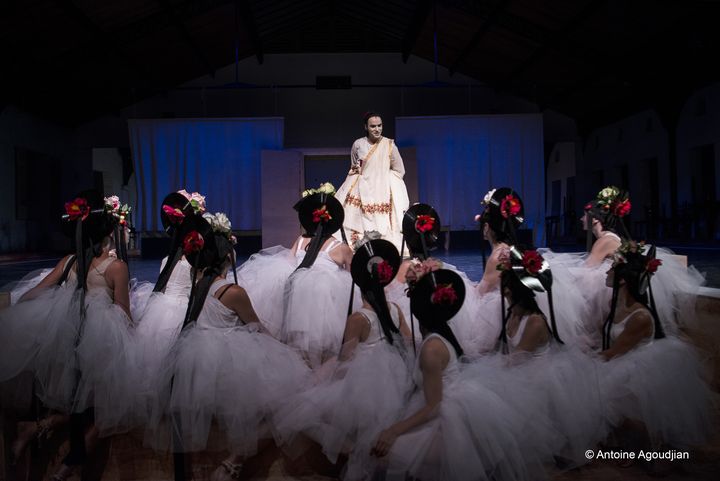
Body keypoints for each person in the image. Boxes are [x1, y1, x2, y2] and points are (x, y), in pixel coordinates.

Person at [146, 213, 310, 481]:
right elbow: (257, 327)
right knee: (284, 404)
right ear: (228, 257)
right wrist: (286, 351)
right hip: (226, 360)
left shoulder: (200, 285)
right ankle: (235, 461)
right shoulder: (232, 292)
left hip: (198, 355)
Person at [273, 238, 413, 480]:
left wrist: (325, 382)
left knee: (304, 411)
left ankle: (356, 455)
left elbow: (345, 360)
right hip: (394, 377)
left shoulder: (358, 319)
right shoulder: (395, 309)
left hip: (365, 383)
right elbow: (408, 343)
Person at [598, 240, 715, 454]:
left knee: (602, 394)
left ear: (623, 280)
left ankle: (647, 450)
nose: (606, 273)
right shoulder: (614, 304)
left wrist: (581, 361)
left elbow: (615, 352)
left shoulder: (640, 316)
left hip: (634, 367)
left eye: (611, 270)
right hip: (619, 359)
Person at [282, 188, 359, 368]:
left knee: (301, 356)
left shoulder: (300, 241)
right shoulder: (342, 248)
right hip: (327, 312)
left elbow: (288, 267)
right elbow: (354, 281)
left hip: (297, 307)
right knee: (326, 357)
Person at [335, 112, 409, 251]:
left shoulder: (389, 145)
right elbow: (354, 166)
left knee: (382, 228)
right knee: (357, 224)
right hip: (361, 190)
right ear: (366, 127)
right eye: (373, 126)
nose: (377, 129)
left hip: (382, 191)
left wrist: (385, 179)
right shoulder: (358, 144)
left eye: (379, 125)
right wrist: (357, 170)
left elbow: (400, 171)